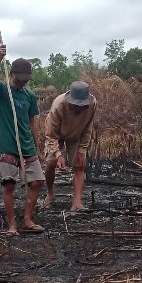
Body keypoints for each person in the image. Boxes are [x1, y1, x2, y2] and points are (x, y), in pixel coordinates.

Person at [0, 45, 45, 235]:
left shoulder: (29, 95)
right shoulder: (3, 90)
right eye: (19, 80)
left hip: (27, 145)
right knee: (9, 185)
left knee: (36, 182)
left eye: (25, 81)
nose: (22, 84)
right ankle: (12, 225)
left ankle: (27, 219)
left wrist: (37, 145)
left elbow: (32, 122)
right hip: (7, 145)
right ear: (11, 74)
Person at [43, 81, 97, 212]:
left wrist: (82, 150)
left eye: (82, 105)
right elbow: (50, 134)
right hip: (57, 135)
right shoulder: (59, 105)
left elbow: (88, 127)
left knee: (80, 165)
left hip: (76, 135)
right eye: (76, 105)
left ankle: (76, 203)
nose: (79, 108)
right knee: (51, 163)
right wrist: (58, 154)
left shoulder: (92, 103)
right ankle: (50, 194)